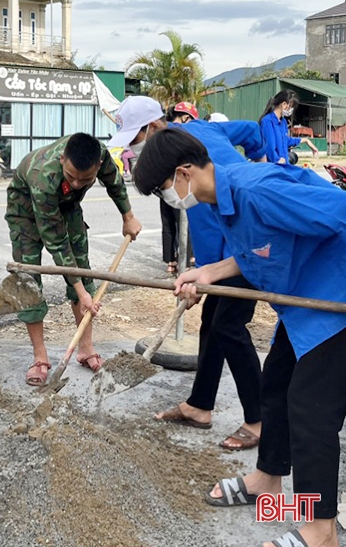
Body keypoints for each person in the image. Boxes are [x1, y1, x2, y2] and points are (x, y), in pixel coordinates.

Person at [134, 128, 346, 547]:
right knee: (276, 384)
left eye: (163, 190)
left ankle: (321, 530)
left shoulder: (257, 190)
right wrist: (209, 273)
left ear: (184, 173)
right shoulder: (223, 203)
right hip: (302, 305)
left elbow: (341, 213)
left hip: (335, 304)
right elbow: (258, 250)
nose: (168, 199)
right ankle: (268, 484)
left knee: (310, 407)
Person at [110, 95, 267, 450]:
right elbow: (249, 130)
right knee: (213, 322)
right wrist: (202, 275)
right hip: (229, 247)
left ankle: (259, 420)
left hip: (251, 244)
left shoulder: (188, 162)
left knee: (229, 325)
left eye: (135, 139)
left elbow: (213, 233)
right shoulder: (190, 139)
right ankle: (200, 405)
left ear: (153, 127)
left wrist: (263, 162)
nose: (135, 149)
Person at [6, 132, 143, 384]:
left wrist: (128, 216)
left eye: (86, 179)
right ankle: (40, 357)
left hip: (67, 205)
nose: (79, 184)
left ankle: (86, 349)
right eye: (71, 176)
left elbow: (114, 182)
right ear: (61, 160)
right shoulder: (44, 176)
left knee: (83, 269)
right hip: (25, 210)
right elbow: (57, 243)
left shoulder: (99, 154)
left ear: (97, 165)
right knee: (28, 279)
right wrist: (81, 292)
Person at [159, 101, 199, 274]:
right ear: (185, 117)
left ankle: (170, 261)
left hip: (162, 183)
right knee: (183, 220)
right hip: (179, 184)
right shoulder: (184, 133)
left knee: (167, 223)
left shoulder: (162, 132)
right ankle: (188, 257)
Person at [259, 89, 319, 164]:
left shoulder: (283, 122)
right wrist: (277, 160)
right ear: (284, 104)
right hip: (274, 167)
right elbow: (269, 147)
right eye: (292, 107)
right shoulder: (267, 121)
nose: (292, 110)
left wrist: (306, 140)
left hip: (284, 165)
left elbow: (286, 141)